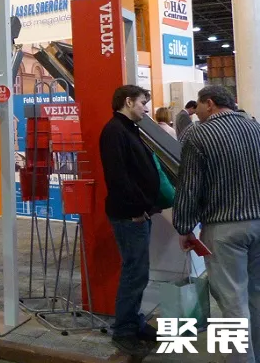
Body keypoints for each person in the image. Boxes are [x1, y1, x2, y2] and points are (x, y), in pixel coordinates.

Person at [174, 85, 260, 363]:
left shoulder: (199, 135)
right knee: (256, 295)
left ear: (209, 103)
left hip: (224, 228)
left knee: (232, 301)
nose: (196, 112)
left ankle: (239, 359)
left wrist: (184, 227)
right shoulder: (255, 128)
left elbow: (189, 187)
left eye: (198, 106)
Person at [99, 85, 160, 356]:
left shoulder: (128, 129)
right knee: (134, 273)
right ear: (128, 102)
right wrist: (137, 209)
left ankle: (134, 322)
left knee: (139, 273)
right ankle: (124, 330)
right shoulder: (114, 131)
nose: (146, 108)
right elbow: (118, 178)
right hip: (129, 215)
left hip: (138, 213)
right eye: (142, 103)